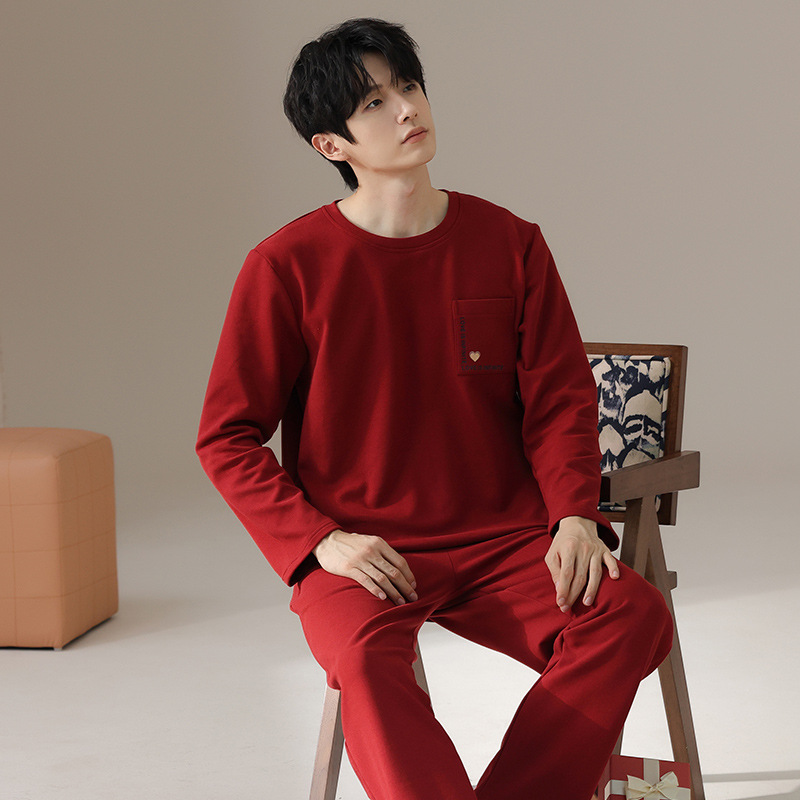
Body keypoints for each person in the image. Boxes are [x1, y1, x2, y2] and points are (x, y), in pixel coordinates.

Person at [196, 17, 673, 800]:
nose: (406, 109)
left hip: (504, 541)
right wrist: (322, 542)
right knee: (363, 659)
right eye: (374, 103)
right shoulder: (285, 267)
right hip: (366, 549)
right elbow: (226, 437)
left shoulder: (511, 243)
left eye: (408, 86)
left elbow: (559, 401)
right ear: (331, 145)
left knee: (633, 615)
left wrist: (574, 517)